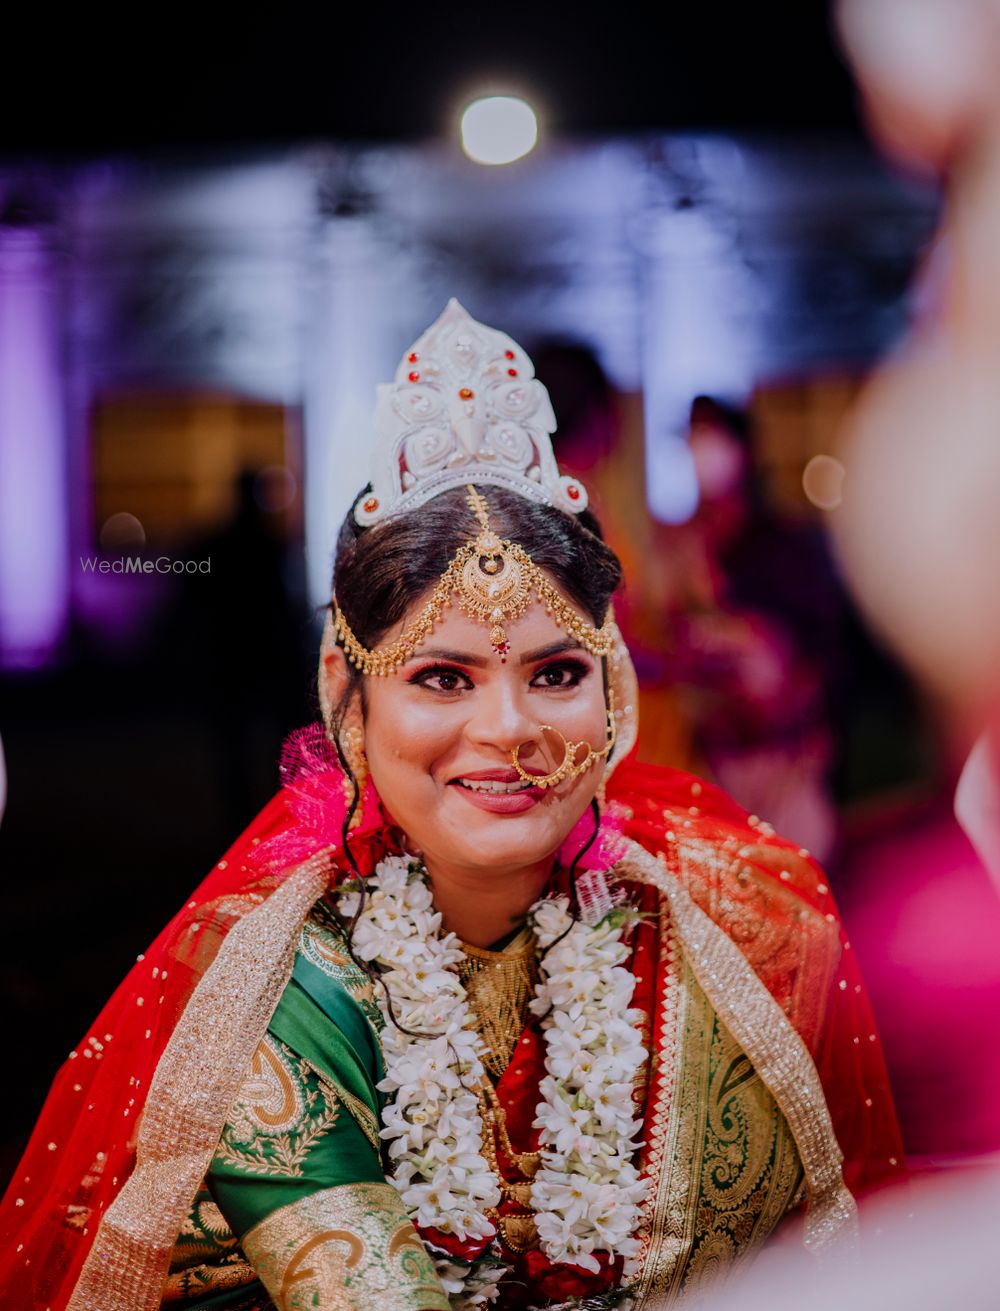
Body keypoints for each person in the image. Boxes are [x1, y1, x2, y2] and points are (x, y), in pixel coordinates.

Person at [0, 301, 903, 1311]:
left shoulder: (742, 932)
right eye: (441, 678)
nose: (509, 727)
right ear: (348, 698)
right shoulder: (278, 985)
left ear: (615, 694)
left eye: (555, 673)